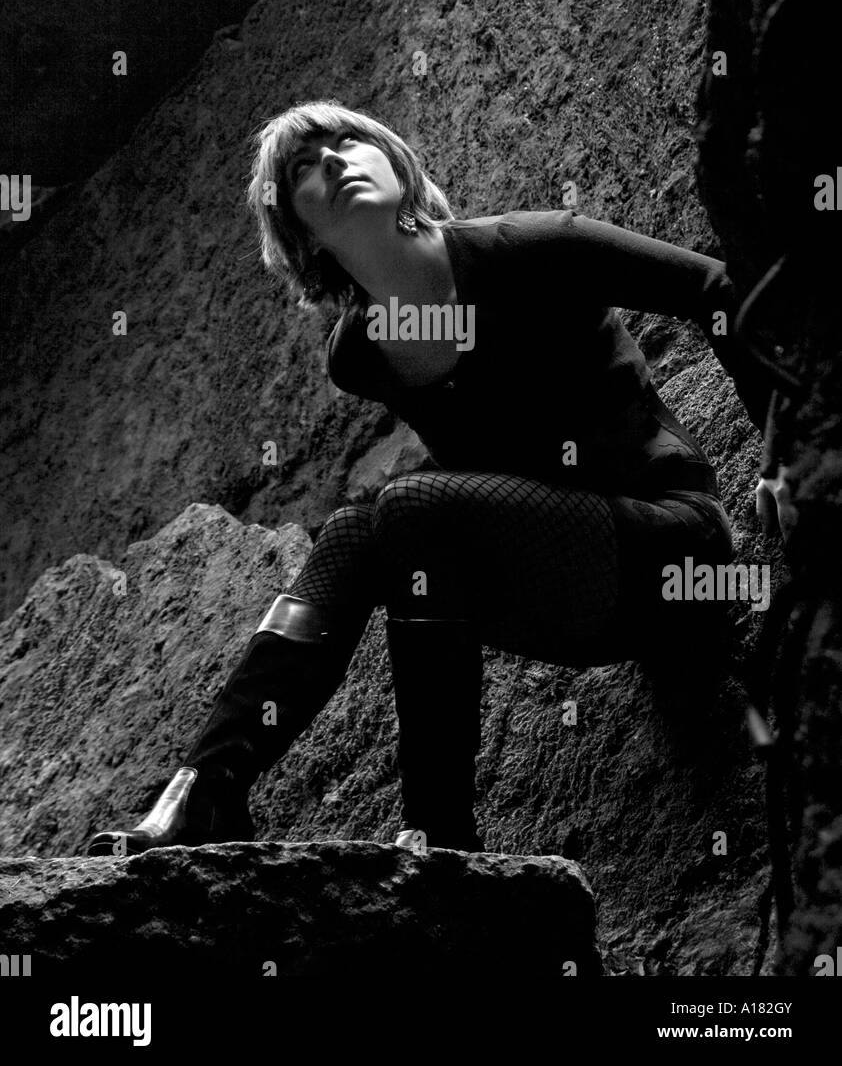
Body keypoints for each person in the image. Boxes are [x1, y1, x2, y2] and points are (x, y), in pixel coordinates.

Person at [87, 101, 782, 858]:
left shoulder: (533, 248)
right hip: (564, 600)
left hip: (677, 558)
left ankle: (436, 838)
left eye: (348, 140)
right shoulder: (360, 355)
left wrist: (788, 450)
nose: (332, 161)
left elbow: (719, 288)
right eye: (300, 169)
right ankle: (203, 790)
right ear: (300, 232)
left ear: (398, 163)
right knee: (355, 533)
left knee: (409, 507)